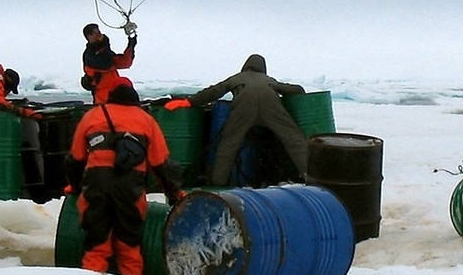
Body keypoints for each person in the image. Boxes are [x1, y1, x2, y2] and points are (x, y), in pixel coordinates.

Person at [66, 77, 184, 275]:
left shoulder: (92, 116)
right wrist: (174, 195)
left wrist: (75, 188)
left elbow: (75, 160)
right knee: (128, 246)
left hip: (97, 185)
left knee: (97, 246)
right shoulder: (146, 120)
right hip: (130, 188)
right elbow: (162, 165)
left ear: (111, 95)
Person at [164, 54, 308, 186]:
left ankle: (218, 183)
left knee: (228, 145)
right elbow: (295, 90)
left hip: (243, 109)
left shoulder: (237, 78)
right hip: (271, 107)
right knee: (294, 139)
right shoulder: (269, 80)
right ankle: (309, 175)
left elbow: (215, 91)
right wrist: (299, 90)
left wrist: (189, 102)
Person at [82, 22, 137, 104]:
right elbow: (107, 64)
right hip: (103, 99)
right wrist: (105, 45)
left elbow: (125, 63)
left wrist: (131, 42)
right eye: (96, 33)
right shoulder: (89, 55)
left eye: (99, 32)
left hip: (116, 94)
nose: (100, 35)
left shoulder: (104, 51)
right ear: (89, 37)